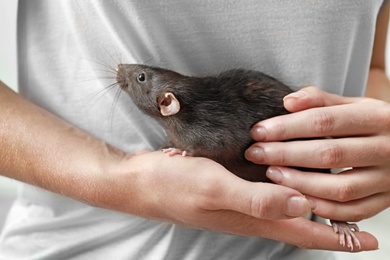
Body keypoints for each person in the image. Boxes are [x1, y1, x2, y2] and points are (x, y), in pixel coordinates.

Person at [0, 0, 388, 259]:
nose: (123, 74)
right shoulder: (188, 120)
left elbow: (371, 67)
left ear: (167, 102)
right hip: (83, 248)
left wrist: (375, 135)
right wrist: (120, 179)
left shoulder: (190, 119)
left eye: (138, 78)